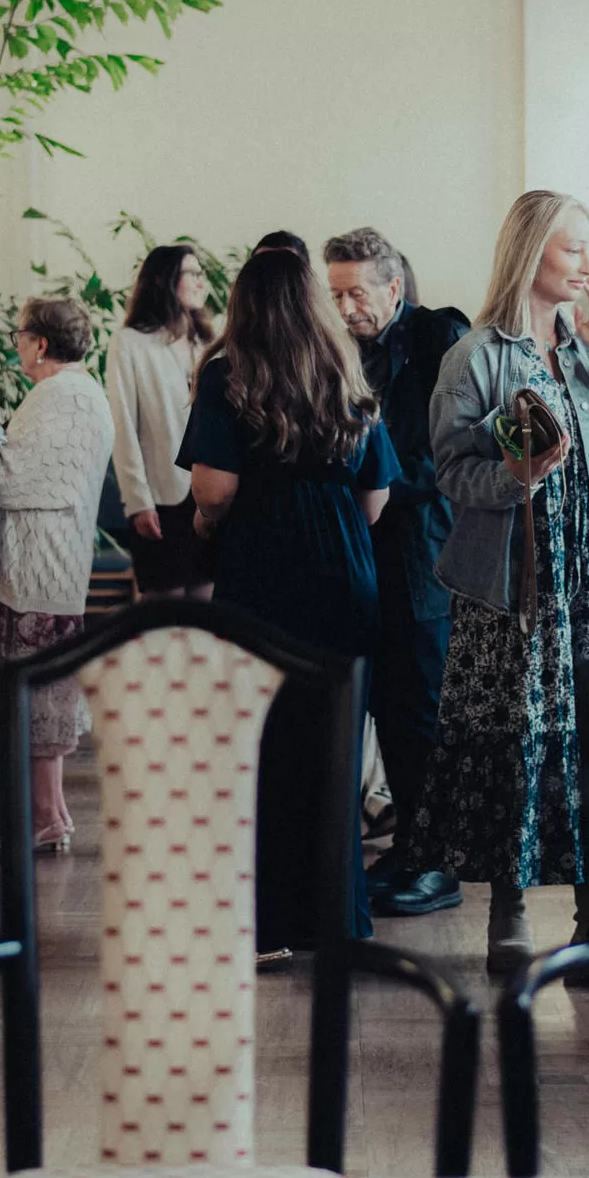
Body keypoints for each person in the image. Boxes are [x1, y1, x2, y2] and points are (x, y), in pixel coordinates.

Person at [398, 190, 589, 986]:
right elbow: (449, 472)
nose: (587, 263)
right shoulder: (474, 356)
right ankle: (506, 914)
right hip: (512, 590)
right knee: (513, 743)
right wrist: (517, 474)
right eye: (573, 247)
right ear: (530, 252)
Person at [177, 248, 398, 958]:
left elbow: (213, 490)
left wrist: (209, 524)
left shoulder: (228, 372)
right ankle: (337, 920)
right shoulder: (343, 367)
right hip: (344, 570)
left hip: (264, 568)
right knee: (336, 748)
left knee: (262, 746)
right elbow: (376, 496)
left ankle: (268, 925)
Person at [324, 227, 470, 918]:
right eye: (335, 295)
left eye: (356, 293)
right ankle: (412, 845)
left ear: (394, 287)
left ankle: (440, 862)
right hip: (370, 546)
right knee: (388, 705)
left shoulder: (439, 336)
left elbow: (452, 450)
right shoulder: (346, 349)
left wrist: (375, 482)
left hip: (424, 548)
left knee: (424, 712)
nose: (345, 307)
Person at [0, 297, 115, 856]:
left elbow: (15, 479)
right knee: (35, 690)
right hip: (44, 563)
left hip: (35, 567)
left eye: (21, 336)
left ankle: (42, 817)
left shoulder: (61, 394)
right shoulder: (73, 392)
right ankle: (50, 813)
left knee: (34, 691)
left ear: (41, 343)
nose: (17, 345)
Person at [107, 244, 214, 599]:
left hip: (208, 492)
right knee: (164, 612)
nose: (201, 282)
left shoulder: (208, 341)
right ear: (164, 280)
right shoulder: (130, 342)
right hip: (161, 495)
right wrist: (137, 501)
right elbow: (123, 425)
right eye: (192, 274)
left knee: (207, 610)